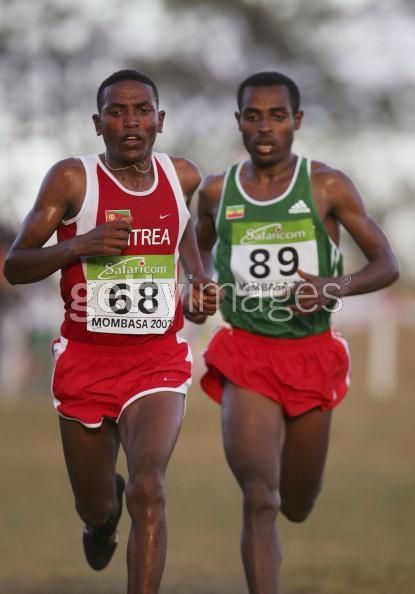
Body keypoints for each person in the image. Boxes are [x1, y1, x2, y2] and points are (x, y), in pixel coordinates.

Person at [4, 69, 220, 594]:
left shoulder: (182, 176)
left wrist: (197, 280)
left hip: (157, 359)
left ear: (160, 120)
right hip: (86, 361)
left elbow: (182, 226)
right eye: (117, 112)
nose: (131, 122)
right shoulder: (72, 180)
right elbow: (16, 264)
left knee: (149, 488)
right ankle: (100, 520)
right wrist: (80, 245)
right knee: (98, 502)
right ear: (97, 122)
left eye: (142, 110)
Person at [194, 71, 399, 594]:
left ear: (297, 121)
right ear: (238, 121)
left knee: (298, 504)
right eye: (253, 115)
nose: (265, 127)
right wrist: (197, 291)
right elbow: (194, 249)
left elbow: (386, 263)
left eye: (277, 116)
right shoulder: (218, 191)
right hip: (246, 352)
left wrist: (333, 286)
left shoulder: (328, 185)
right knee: (261, 497)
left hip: (310, 352)